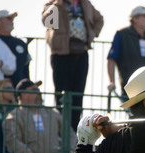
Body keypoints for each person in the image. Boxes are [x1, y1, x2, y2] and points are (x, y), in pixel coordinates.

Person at [3, 78, 77, 153]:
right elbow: (12, 142)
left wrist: (70, 149)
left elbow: (70, 134)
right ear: (23, 95)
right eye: (34, 90)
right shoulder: (15, 115)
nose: (38, 93)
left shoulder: (52, 113)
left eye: (38, 89)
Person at [42, 0, 104, 131]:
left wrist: (92, 34)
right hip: (62, 53)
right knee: (62, 95)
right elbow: (47, 21)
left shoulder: (85, 3)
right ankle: (61, 131)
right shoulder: (54, 4)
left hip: (81, 52)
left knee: (78, 94)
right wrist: (57, 4)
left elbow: (99, 19)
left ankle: (74, 131)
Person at [107, 6, 145, 96]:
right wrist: (112, 82)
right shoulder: (122, 35)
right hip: (131, 88)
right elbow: (111, 60)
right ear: (135, 19)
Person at [0, 10, 31, 87]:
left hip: (18, 89)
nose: (12, 21)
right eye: (8, 18)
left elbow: (26, 67)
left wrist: (28, 87)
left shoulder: (21, 44)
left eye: (12, 19)